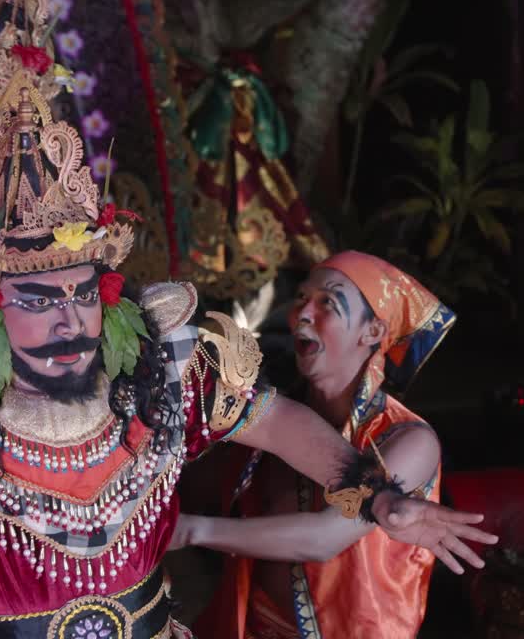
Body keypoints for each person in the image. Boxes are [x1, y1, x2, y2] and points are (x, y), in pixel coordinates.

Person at [0, 65, 495, 637]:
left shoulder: (159, 374)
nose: (70, 320)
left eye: (85, 294)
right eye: (39, 301)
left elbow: (273, 423)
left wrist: (378, 495)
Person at [191, 250, 453, 638]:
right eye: (300, 299)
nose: (302, 314)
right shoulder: (271, 419)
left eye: (327, 303)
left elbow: (324, 538)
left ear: (373, 332)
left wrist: (188, 531)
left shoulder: (408, 439)